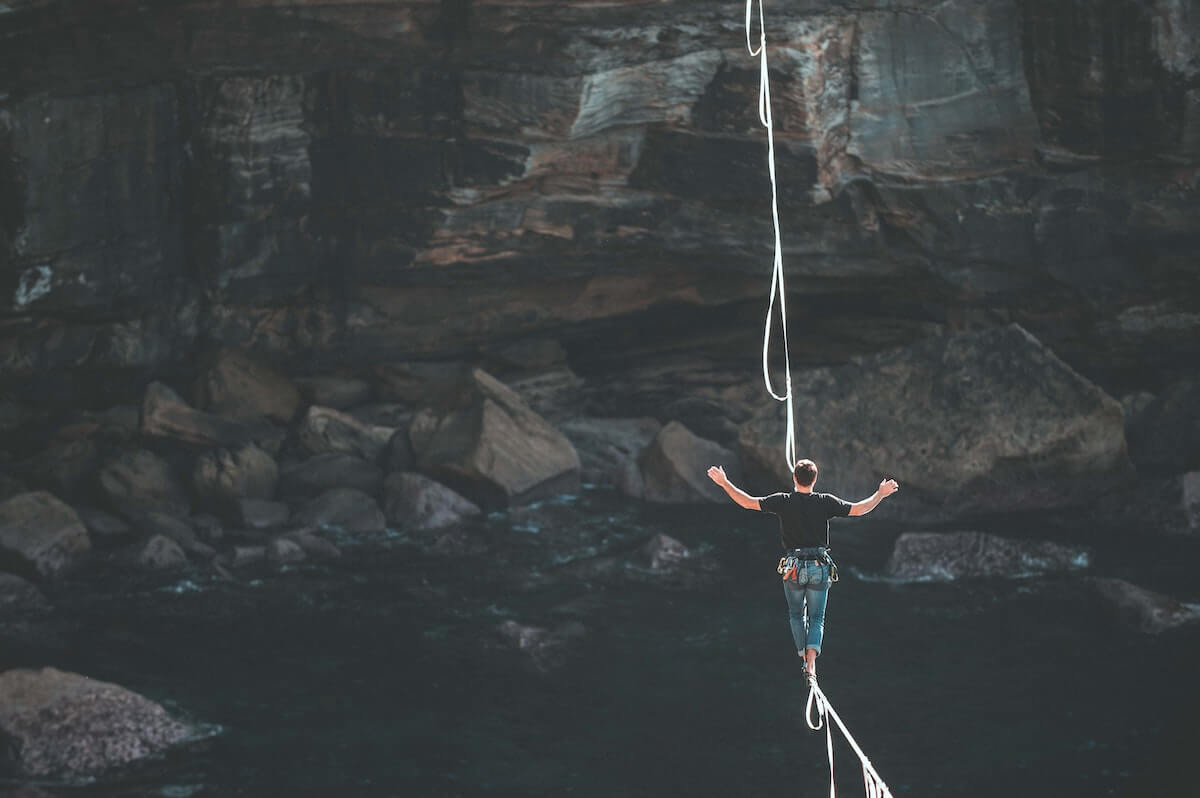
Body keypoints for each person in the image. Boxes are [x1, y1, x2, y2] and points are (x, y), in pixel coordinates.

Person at [706, 459, 898, 679]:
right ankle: (812, 662)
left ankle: (803, 657)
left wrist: (724, 483)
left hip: (793, 567)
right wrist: (880, 493)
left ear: (794, 478)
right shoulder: (825, 501)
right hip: (818, 566)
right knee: (817, 618)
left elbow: (748, 502)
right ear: (815, 479)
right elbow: (860, 509)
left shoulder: (783, 501)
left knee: (797, 615)